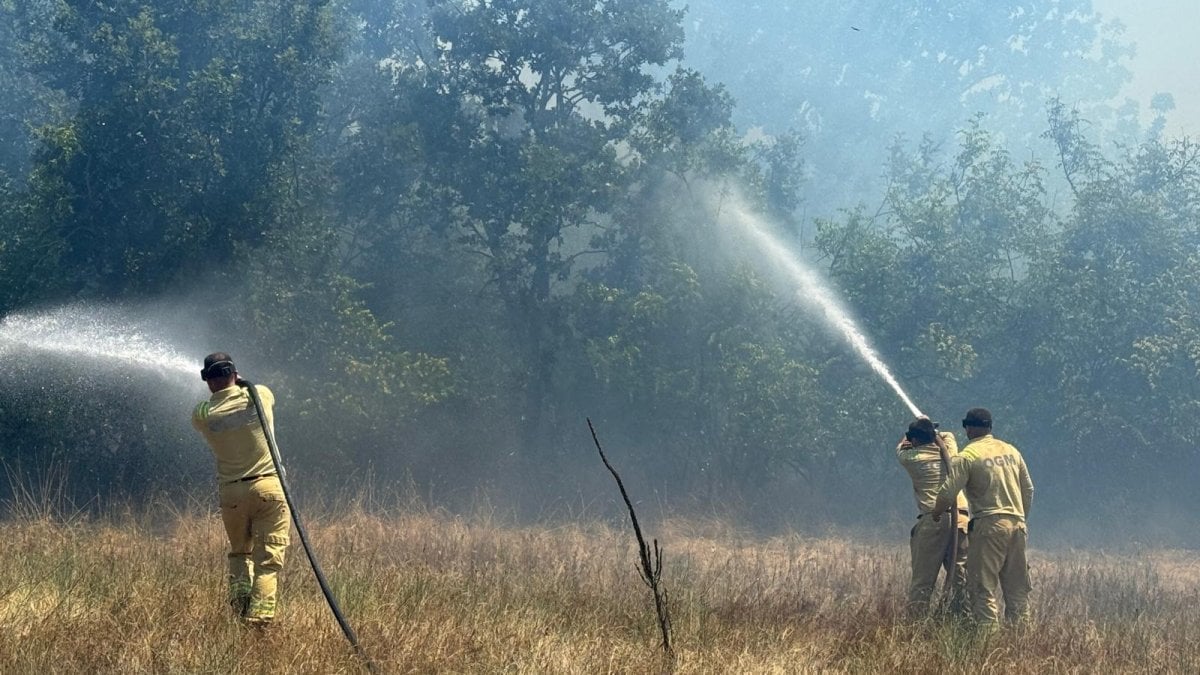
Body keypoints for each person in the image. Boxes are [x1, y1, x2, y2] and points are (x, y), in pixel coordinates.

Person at [191, 353, 289, 626]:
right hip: (269, 487)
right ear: (234, 373)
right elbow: (254, 390)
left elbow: (210, 410)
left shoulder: (202, 414)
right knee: (268, 561)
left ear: (208, 381)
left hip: (232, 493)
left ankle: (239, 608)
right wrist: (242, 382)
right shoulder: (260, 395)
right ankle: (259, 619)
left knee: (239, 552)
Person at [932, 407, 1034, 631]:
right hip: (1017, 525)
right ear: (990, 427)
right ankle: (1023, 643)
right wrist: (1019, 518)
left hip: (988, 526)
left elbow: (948, 492)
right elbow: (1028, 489)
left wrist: (937, 512)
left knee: (982, 587)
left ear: (969, 428)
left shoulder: (968, 455)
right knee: (1017, 590)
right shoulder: (1011, 451)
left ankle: (988, 642)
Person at [896, 416, 969, 616]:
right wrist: (933, 429)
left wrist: (918, 425)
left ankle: (915, 624)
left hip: (933, 520)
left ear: (915, 440)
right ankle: (963, 620)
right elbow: (949, 436)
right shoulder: (951, 455)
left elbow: (901, 446)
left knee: (923, 581)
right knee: (960, 579)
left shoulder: (911, 458)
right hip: (960, 519)